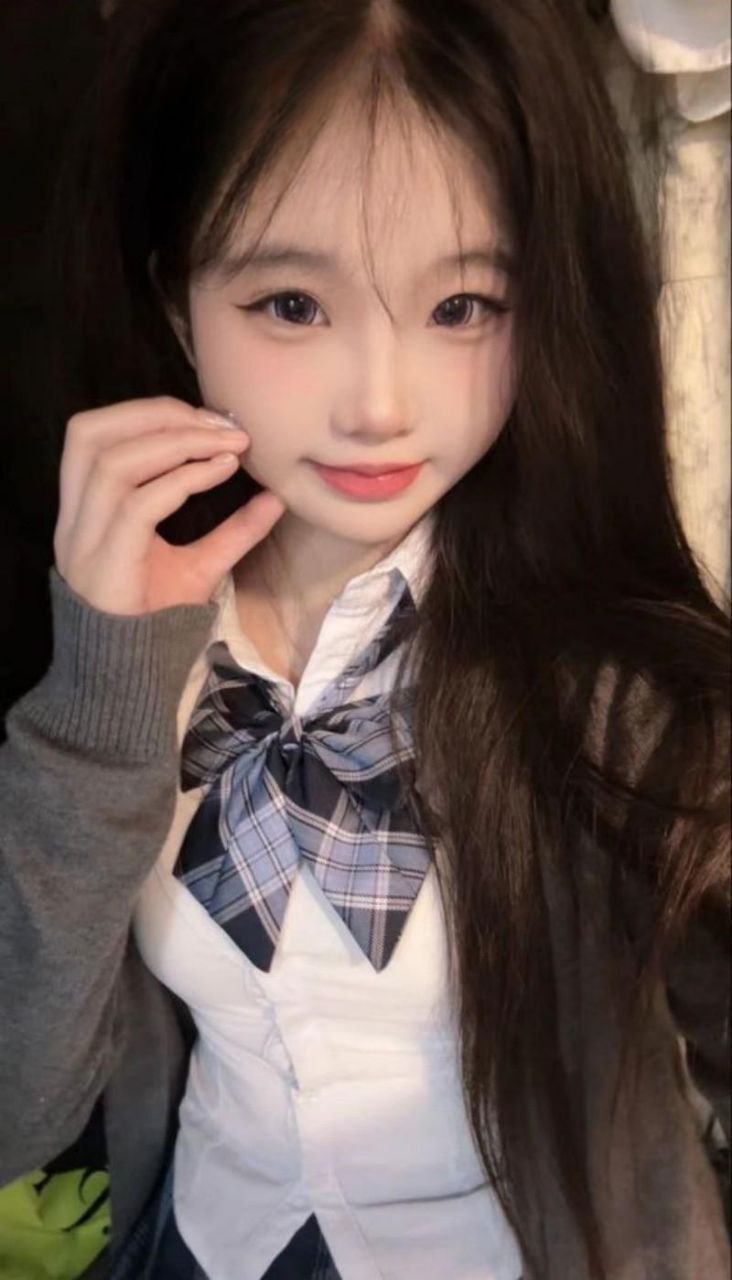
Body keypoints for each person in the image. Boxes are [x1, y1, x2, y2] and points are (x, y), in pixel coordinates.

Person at [0, 1, 729, 1277]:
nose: (381, 404)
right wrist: (98, 706)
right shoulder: (131, 644)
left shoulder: (618, 691)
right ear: (177, 301)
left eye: (463, 305)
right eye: (292, 303)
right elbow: (19, 1107)